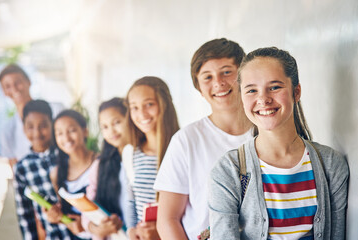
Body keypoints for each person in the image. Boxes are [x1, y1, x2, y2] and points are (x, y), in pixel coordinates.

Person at [209, 47, 349, 240]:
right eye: (251, 90)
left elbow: (337, 235)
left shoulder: (330, 164)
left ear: (296, 91)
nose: (263, 99)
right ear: (242, 97)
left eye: (274, 87)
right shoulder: (228, 170)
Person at [153, 38, 252, 239]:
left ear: (243, 75)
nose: (218, 83)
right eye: (207, 77)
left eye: (226, 72)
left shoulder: (267, 132)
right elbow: (167, 219)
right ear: (198, 86)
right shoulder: (186, 140)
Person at [126, 76, 179, 240]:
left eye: (149, 104)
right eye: (134, 107)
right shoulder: (130, 153)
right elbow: (131, 202)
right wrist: (131, 231)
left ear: (164, 105)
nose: (141, 113)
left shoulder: (181, 148)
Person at [13, 100, 72, 239]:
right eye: (30, 127)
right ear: (23, 128)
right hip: (53, 235)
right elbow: (25, 215)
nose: (37, 132)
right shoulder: (21, 168)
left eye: (43, 125)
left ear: (52, 125)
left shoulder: (66, 154)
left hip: (80, 232)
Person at [81, 97, 135, 239]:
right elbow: (89, 207)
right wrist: (96, 229)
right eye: (104, 127)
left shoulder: (143, 159)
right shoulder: (100, 166)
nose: (111, 130)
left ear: (130, 119)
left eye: (117, 122)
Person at [0, 64, 64, 165]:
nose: (14, 89)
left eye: (18, 82)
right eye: (7, 86)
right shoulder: (7, 131)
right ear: (4, 92)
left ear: (28, 82)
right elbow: (15, 169)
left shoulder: (56, 110)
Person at [45, 110, 96, 240]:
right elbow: (68, 216)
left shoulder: (100, 163)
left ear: (85, 131)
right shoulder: (56, 174)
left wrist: (86, 225)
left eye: (71, 130)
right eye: (59, 133)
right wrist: (56, 217)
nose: (66, 138)